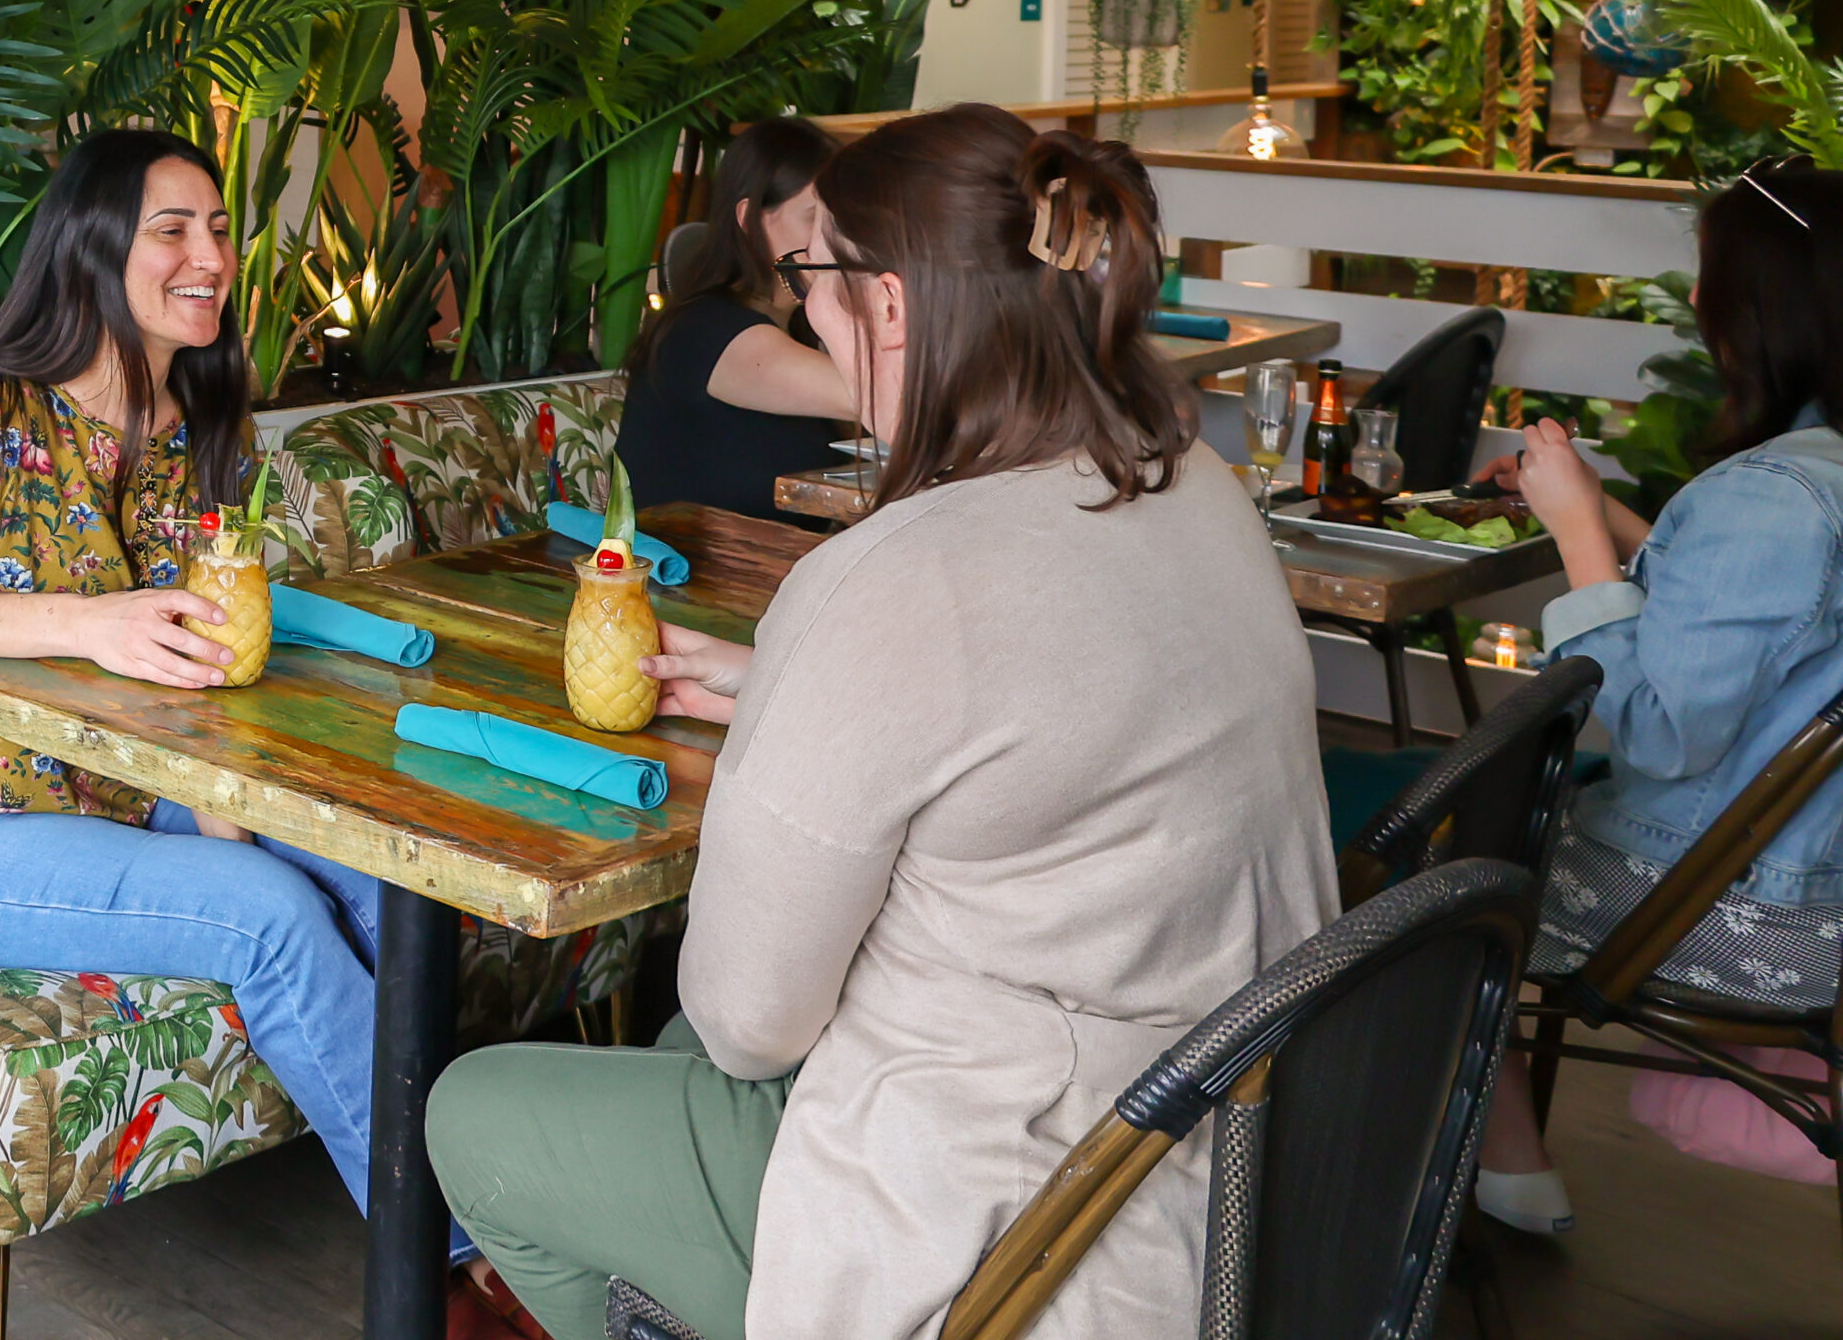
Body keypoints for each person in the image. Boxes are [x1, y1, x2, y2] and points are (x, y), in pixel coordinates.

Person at [427, 106, 1337, 1340]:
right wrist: (786, 680)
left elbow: (751, 1020)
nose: (805, 308)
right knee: (677, 1039)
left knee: (478, 1110)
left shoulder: (891, 575)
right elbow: (1052, 713)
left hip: (1020, 1228)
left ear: (890, 303)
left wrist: (795, 701)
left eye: (817, 277)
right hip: (1230, 1148)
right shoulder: (1187, 480)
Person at [0, 128, 473, 1279]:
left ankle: (505, 1207)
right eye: (172, 229)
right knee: (269, 915)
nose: (210, 255)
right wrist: (89, 622)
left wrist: (235, 821)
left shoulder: (203, 430)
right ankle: (459, 1266)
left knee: (390, 882)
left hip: (128, 796)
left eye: (218, 229)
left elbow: (203, 679)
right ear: (93, 247)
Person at [1474, 155, 1843, 1235]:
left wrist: (1577, 538)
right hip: (1814, 893)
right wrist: (1608, 520)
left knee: (1428, 852)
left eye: (1708, 280)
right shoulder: (1817, 479)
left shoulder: (1773, 497)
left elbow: (1660, 728)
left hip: (1740, 916)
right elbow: (1778, 627)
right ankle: (1506, 1165)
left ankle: (1494, 1167)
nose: (1695, 302)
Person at [613, 117, 853, 520]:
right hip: (680, 561)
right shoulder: (704, 331)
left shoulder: (799, 328)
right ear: (750, 219)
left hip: (779, 557)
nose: (837, 238)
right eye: (816, 217)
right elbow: (886, 399)